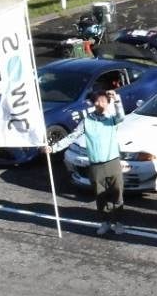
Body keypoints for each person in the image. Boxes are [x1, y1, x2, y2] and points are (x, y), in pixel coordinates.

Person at [46, 89, 126, 235]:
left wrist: (117, 99)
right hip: (96, 165)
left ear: (108, 103)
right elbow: (72, 137)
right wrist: (53, 148)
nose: (101, 103)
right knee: (100, 195)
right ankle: (105, 222)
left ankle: (118, 222)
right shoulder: (87, 121)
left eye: (103, 100)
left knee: (117, 193)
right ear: (94, 103)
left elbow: (121, 117)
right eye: (98, 100)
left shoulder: (111, 119)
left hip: (113, 162)